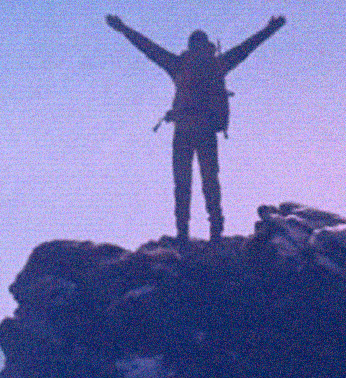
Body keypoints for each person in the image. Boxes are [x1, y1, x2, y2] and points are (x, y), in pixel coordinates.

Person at [106, 13, 286, 241]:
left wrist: (123, 28)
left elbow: (149, 48)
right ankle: (216, 232)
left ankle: (183, 234)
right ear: (208, 46)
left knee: (182, 185)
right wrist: (271, 28)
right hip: (207, 132)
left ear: (190, 47)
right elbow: (247, 47)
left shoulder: (179, 65)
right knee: (210, 183)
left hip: (183, 132)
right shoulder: (218, 64)